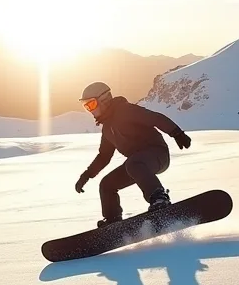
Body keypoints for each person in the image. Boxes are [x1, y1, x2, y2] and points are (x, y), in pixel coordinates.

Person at [74, 81, 192, 227]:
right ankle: (113, 220)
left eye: (91, 104)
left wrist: (177, 133)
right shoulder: (107, 128)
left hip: (157, 155)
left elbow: (155, 118)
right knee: (107, 185)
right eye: (86, 107)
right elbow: (104, 156)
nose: (90, 110)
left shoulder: (126, 111)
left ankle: (159, 198)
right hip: (136, 165)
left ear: (103, 100)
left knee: (134, 163)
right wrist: (86, 175)